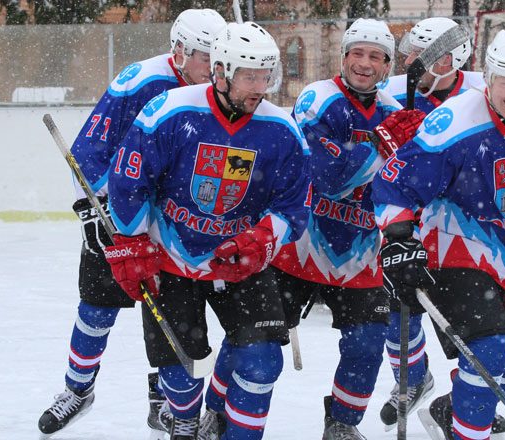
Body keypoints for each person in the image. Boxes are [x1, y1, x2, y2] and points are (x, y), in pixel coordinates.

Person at [203, 18, 416, 440]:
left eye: (376, 56)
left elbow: (407, 188)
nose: (365, 63)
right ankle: (217, 411)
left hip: (360, 253)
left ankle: (341, 422)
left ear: (388, 66)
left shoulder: (397, 115)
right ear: (343, 57)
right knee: (251, 338)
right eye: (357, 52)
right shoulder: (317, 99)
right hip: (298, 242)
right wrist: (378, 148)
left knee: (368, 344)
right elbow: (328, 177)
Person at [101, 21, 310, 440]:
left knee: (263, 363)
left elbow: (294, 203)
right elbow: (129, 181)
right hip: (172, 258)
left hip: (239, 261)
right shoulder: (169, 112)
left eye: (265, 76)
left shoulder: (282, 131)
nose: (259, 87)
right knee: (179, 370)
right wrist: (131, 241)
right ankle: (184, 419)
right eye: (249, 76)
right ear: (220, 71)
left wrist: (264, 239)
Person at [371, 29, 505, 440]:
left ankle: (457, 409)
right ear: (487, 76)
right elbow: (395, 187)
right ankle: (472, 429)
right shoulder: (452, 122)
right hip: (454, 244)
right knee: (488, 348)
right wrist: (399, 239)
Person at [36, 8, 227, 438]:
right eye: (205, 57)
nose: (214, 68)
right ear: (179, 51)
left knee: (166, 317)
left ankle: (161, 404)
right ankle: (78, 389)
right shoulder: (140, 81)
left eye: (220, 59)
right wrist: (91, 211)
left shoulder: (221, 90)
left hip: (176, 225)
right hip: (121, 215)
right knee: (97, 308)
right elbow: (91, 149)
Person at [376, 17, 505, 435]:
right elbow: (380, 169)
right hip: (407, 221)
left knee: (495, 330)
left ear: (448, 59)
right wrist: (387, 148)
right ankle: (413, 378)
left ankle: (467, 399)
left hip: (465, 230)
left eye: (417, 53)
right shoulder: (395, 92)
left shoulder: (480, 92)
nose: (408, 60)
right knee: (401, 307)